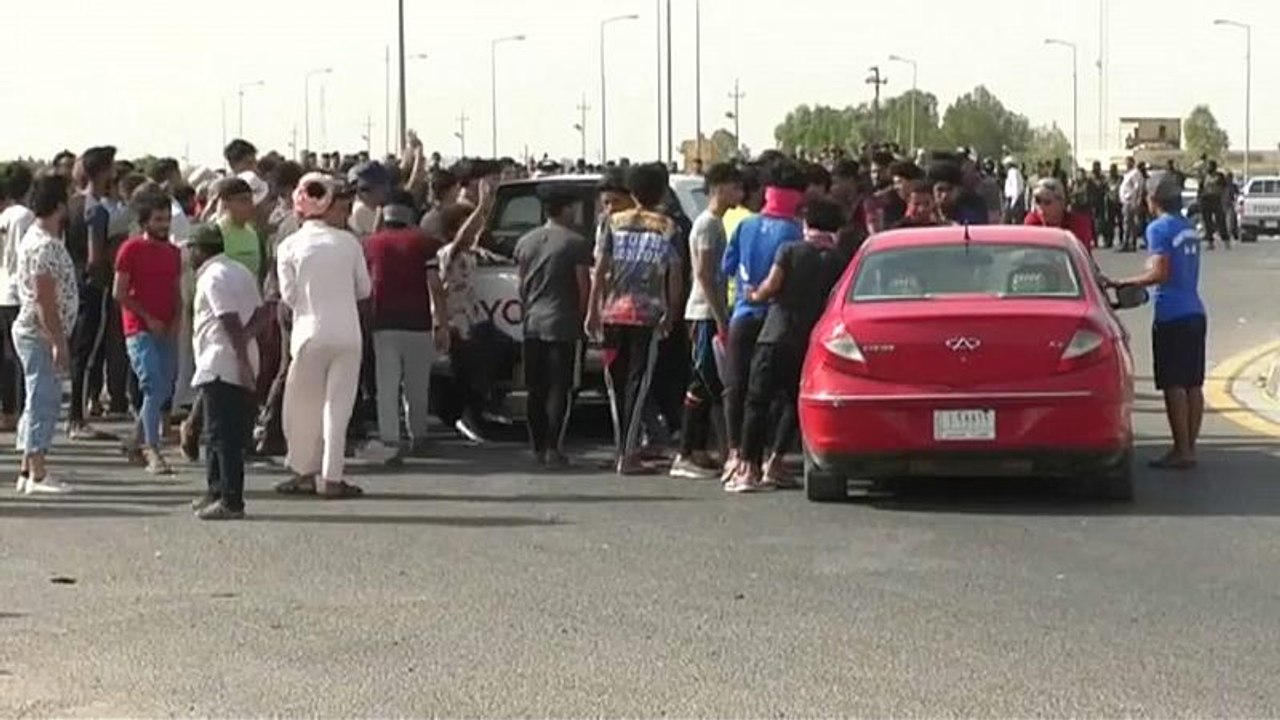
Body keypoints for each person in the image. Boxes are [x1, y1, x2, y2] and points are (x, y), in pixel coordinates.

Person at [736, 197, 848, 492]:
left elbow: (771, 286)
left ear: (806, 223)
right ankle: (776, 461)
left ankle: (748, 469)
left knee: (757, 402)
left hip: (775, 335)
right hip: (809, 342)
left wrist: (754, 295)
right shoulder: (840, 260)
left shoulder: (790, 250)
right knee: (793, 403)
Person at [274, 173, 371, 499]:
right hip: (348, 334)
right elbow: (364, 289)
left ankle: (304, 473)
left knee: (304, 408)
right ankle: (332, 477)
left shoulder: (288, 245)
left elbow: (289, 296)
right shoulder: (349, 242)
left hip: (308, 334)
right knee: (337, 409)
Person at [585, 162, 683, 475]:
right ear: (662, 192)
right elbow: (674, 275)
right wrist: (672, 313)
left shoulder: (612, 223)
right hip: (647, 315)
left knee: (616, 385)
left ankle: (622, 449)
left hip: (613, 313)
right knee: (638, 385)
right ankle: (627, 456)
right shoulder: (668, 227)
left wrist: (593, 310)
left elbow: (601, 269)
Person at [719, 160, 806, 489]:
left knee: (738, 390)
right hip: (778, 321)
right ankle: (775, 460)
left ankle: (737, 457)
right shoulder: (796, 232)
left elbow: (727, 267)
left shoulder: (746, 225)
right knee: (786, 395)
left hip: (742, 315)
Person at [1112, 172, 1205, 470]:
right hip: (1195, 310)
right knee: (1193, 384)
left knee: (1174, 383)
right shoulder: (1188, 227)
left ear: (1152, 200)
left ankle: (1181, 449)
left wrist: (1123, 282)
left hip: (1171, 313)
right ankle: (1190, 447)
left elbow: (1160, 272)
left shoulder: (1158, 229)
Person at [363, 191, 449, 463]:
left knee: (386, 385)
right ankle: (418, 436)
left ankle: (390, 440)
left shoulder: (370, 244)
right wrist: (442, 323)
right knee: (417, 385)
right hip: (418, 322)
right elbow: (435, 285)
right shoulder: (425, 243)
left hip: (383, 323)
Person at [187, 224, 266, 520]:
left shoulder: (212, 276)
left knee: (223, 435)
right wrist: (247, 341)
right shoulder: (239, 270)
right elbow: (262, 312)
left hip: (221, 360)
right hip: (231, 357)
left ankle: (231, 500)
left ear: (199, 249)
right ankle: (215, 490)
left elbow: (228, 319)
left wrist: (241, 358)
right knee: (215, 431)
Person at [668, 163, 742, 479]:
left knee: (709, 382)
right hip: (703, 313)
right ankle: (685, 453)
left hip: (710, 312)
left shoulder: (716, 223)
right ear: (720, 188)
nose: (740, 194)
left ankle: (698, 449)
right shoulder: (708, 225)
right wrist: (720, 316)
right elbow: (704, 274)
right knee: (702, 381)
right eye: (736, 187)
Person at [513, 187, 592, 468]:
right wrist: (585, 318)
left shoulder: (525, 241)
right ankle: (553, 447)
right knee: (561, 387)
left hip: (533, 322)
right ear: (566, 209)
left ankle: (536, 447)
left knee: (535, 388)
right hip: (563, 322)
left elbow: (521, 284)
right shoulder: (576, 243)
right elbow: (583, 286)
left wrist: (527, 310)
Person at [13, 176, 78, 494]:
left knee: (35, 398)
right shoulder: (44, 245)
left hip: (37, 331)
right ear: (59, 205)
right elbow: (44, 299)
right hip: (39, 333)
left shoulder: (39, 238)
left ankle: (27, 468)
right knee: (43, 400)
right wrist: (57, 342)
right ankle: (38, 472)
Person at [113, 191, 183, 474]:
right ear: (145, 222)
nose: (164, 225)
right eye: (158, 219)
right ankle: (151, 448)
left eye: (166, 219)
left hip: (167, 329)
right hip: (139, 329)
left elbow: (176, 291)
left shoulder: (173, 253)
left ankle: (137, 438)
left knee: (164, 388)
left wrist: (176, 320)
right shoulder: (130, 249)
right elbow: (120, 292)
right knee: (153, 385)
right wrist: (147, 317)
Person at [64, 146, 116, 440]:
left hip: (70, 282)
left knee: (77, 351)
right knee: (87, 353)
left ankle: (75, 415)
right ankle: (77, 418)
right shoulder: (96, 209)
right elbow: (95, 256)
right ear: (104, 170)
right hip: (91, 285)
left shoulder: (70, 204)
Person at [0, 163, 36, 430]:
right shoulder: (25, 216)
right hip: (17, 290)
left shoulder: (4, 216)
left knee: (6, 357)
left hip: (3, 287)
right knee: (19, 357)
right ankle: (20, 410)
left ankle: (8, 409)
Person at [1024, 178, 1096, 250]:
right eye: (1038, 201)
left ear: (1061, 203)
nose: (1041, 206)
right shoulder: (1032, 223)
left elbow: (1080, 252)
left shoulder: (1078, 224)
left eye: (1047, 202)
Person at [1118, 157, 1144, 253]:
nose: (1127, 164)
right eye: (1126, 162)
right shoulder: (1128, 174)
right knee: (1128, 223)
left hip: (1131, 202)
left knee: (1129, 223)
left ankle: (1130, 243)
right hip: (1126, 201)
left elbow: (1138, 188)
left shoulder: (1135, 173)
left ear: (1132, 163)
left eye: (1128, 162)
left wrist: (1136, 201)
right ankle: (1128, 243)